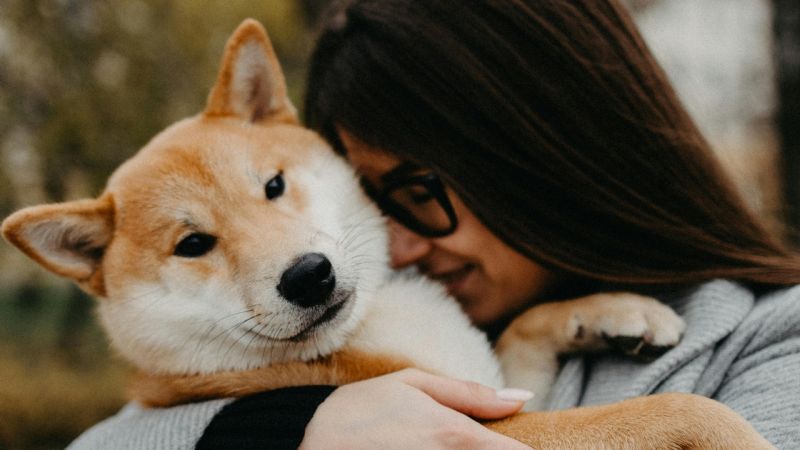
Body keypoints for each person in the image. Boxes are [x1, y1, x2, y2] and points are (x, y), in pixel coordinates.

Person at [68, 1, 800, 449]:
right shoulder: (371, 320)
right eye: (371, 195)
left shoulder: (774, 342)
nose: (398, 240)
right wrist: (285, 429)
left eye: (419, 189)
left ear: (554, 147)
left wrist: (682, 422)